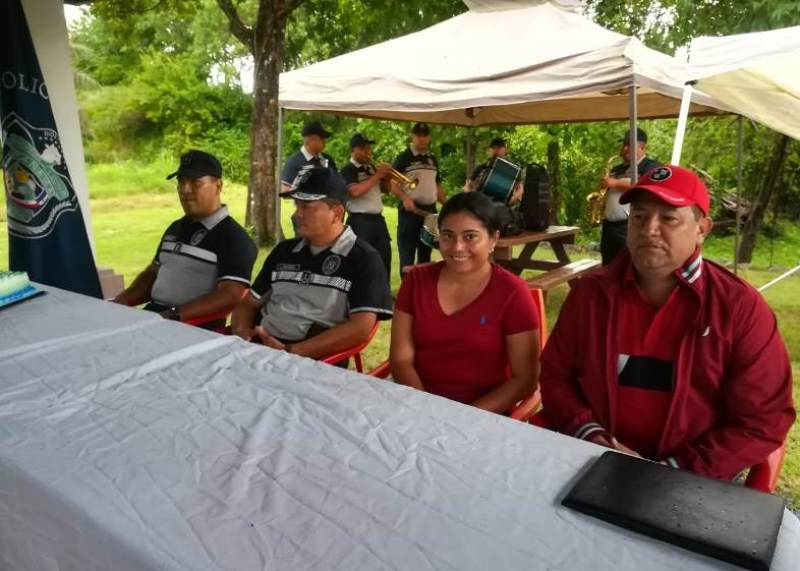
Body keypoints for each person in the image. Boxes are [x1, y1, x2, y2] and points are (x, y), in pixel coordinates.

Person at [540, 165, 794, 481]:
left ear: (702, 228)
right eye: (639, 216)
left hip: (691, 478)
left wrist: (672, 471)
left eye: (669, 218)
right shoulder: (591, 294)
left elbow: (764, 418)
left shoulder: (739, 308)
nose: (649, 229)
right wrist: (590, 433)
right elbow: (555, 374)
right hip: (592, 459)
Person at [391, 192, 540, 414]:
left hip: (482, 416)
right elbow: (401, 360)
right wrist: (424, 411)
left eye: (470, 236)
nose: (457, 247)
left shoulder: (512, 293)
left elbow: (525, 379)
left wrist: (461, 418)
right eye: (447, 235)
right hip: (415, 406)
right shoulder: (416, 281)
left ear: (493, 239)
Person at [231, 167, 392, 359]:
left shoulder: (363, 258)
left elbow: (360, 327)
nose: (296, 214)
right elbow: (248, 303)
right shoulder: (284, 251)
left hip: (314, 361)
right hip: (258, 350)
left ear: (337, 212)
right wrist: (241, 334)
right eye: (297, 205)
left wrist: (291, 352)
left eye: (306, 206)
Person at [112, 150, 257, 327]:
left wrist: (172, 315)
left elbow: (229, 296)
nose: (185, 190)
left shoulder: (234, 238)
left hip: (193, 326)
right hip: (155, 317)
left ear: (218, 186)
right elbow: (152, 275)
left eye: (195, 182)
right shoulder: (175, 228)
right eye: (181, 182)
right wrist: (119, 303)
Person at [599, 127, 661, 265]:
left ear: (642, 147)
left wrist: (615, 183)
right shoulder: (617, 169)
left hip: (629, 226)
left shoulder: (651, 166)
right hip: (609, 226)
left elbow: (648, 186)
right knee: (608, 265)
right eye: (624, 145)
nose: (625, 148)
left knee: (628, 264)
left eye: (629, 145)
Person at [391, 122, 446, 272]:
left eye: (425, 135)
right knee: (407, 256)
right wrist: (405, 198)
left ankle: (422, 286)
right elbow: (391, 183)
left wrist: (448, 204)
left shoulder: (432, 159)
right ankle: (407, 286)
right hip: (409, 213)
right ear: (412, 136)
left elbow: (437, 185)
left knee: (425, 257)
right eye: (419, 135)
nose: (422, 139)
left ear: (429, 138)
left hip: (429, 213)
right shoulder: (403, 157)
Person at [340, 133, 392, 278]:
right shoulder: (348, 170)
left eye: (369, 148)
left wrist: (387, 178)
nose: (368, 151)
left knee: (384, 261)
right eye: (363, 148)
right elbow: (354, 192)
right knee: (362, 264)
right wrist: (378, 176)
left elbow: (386, 190)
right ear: (353, 150)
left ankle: (383, 291)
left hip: (378, 221)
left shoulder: (371, 168)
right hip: (360, 222)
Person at [281, 120, 338, 235]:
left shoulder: (327, 160)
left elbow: (337, 183)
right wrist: (306, 191)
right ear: (310, 140)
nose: (324, 142)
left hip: (327, 216)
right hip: (305, 217)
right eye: (322, 139)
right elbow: (284, 191)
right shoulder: (295, 162)